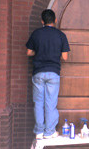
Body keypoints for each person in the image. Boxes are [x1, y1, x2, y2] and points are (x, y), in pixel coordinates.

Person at [26, 9, 70, 139]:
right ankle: (49, 131)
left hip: (38, 73)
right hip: (53, 73)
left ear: (42, 21)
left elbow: (29, 52)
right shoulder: (60, 35)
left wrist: (38, 53)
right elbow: (65, 57)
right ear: (55, 20)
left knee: (38, 103)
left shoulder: (36, 33)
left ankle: (39, 131)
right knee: (51, 103)